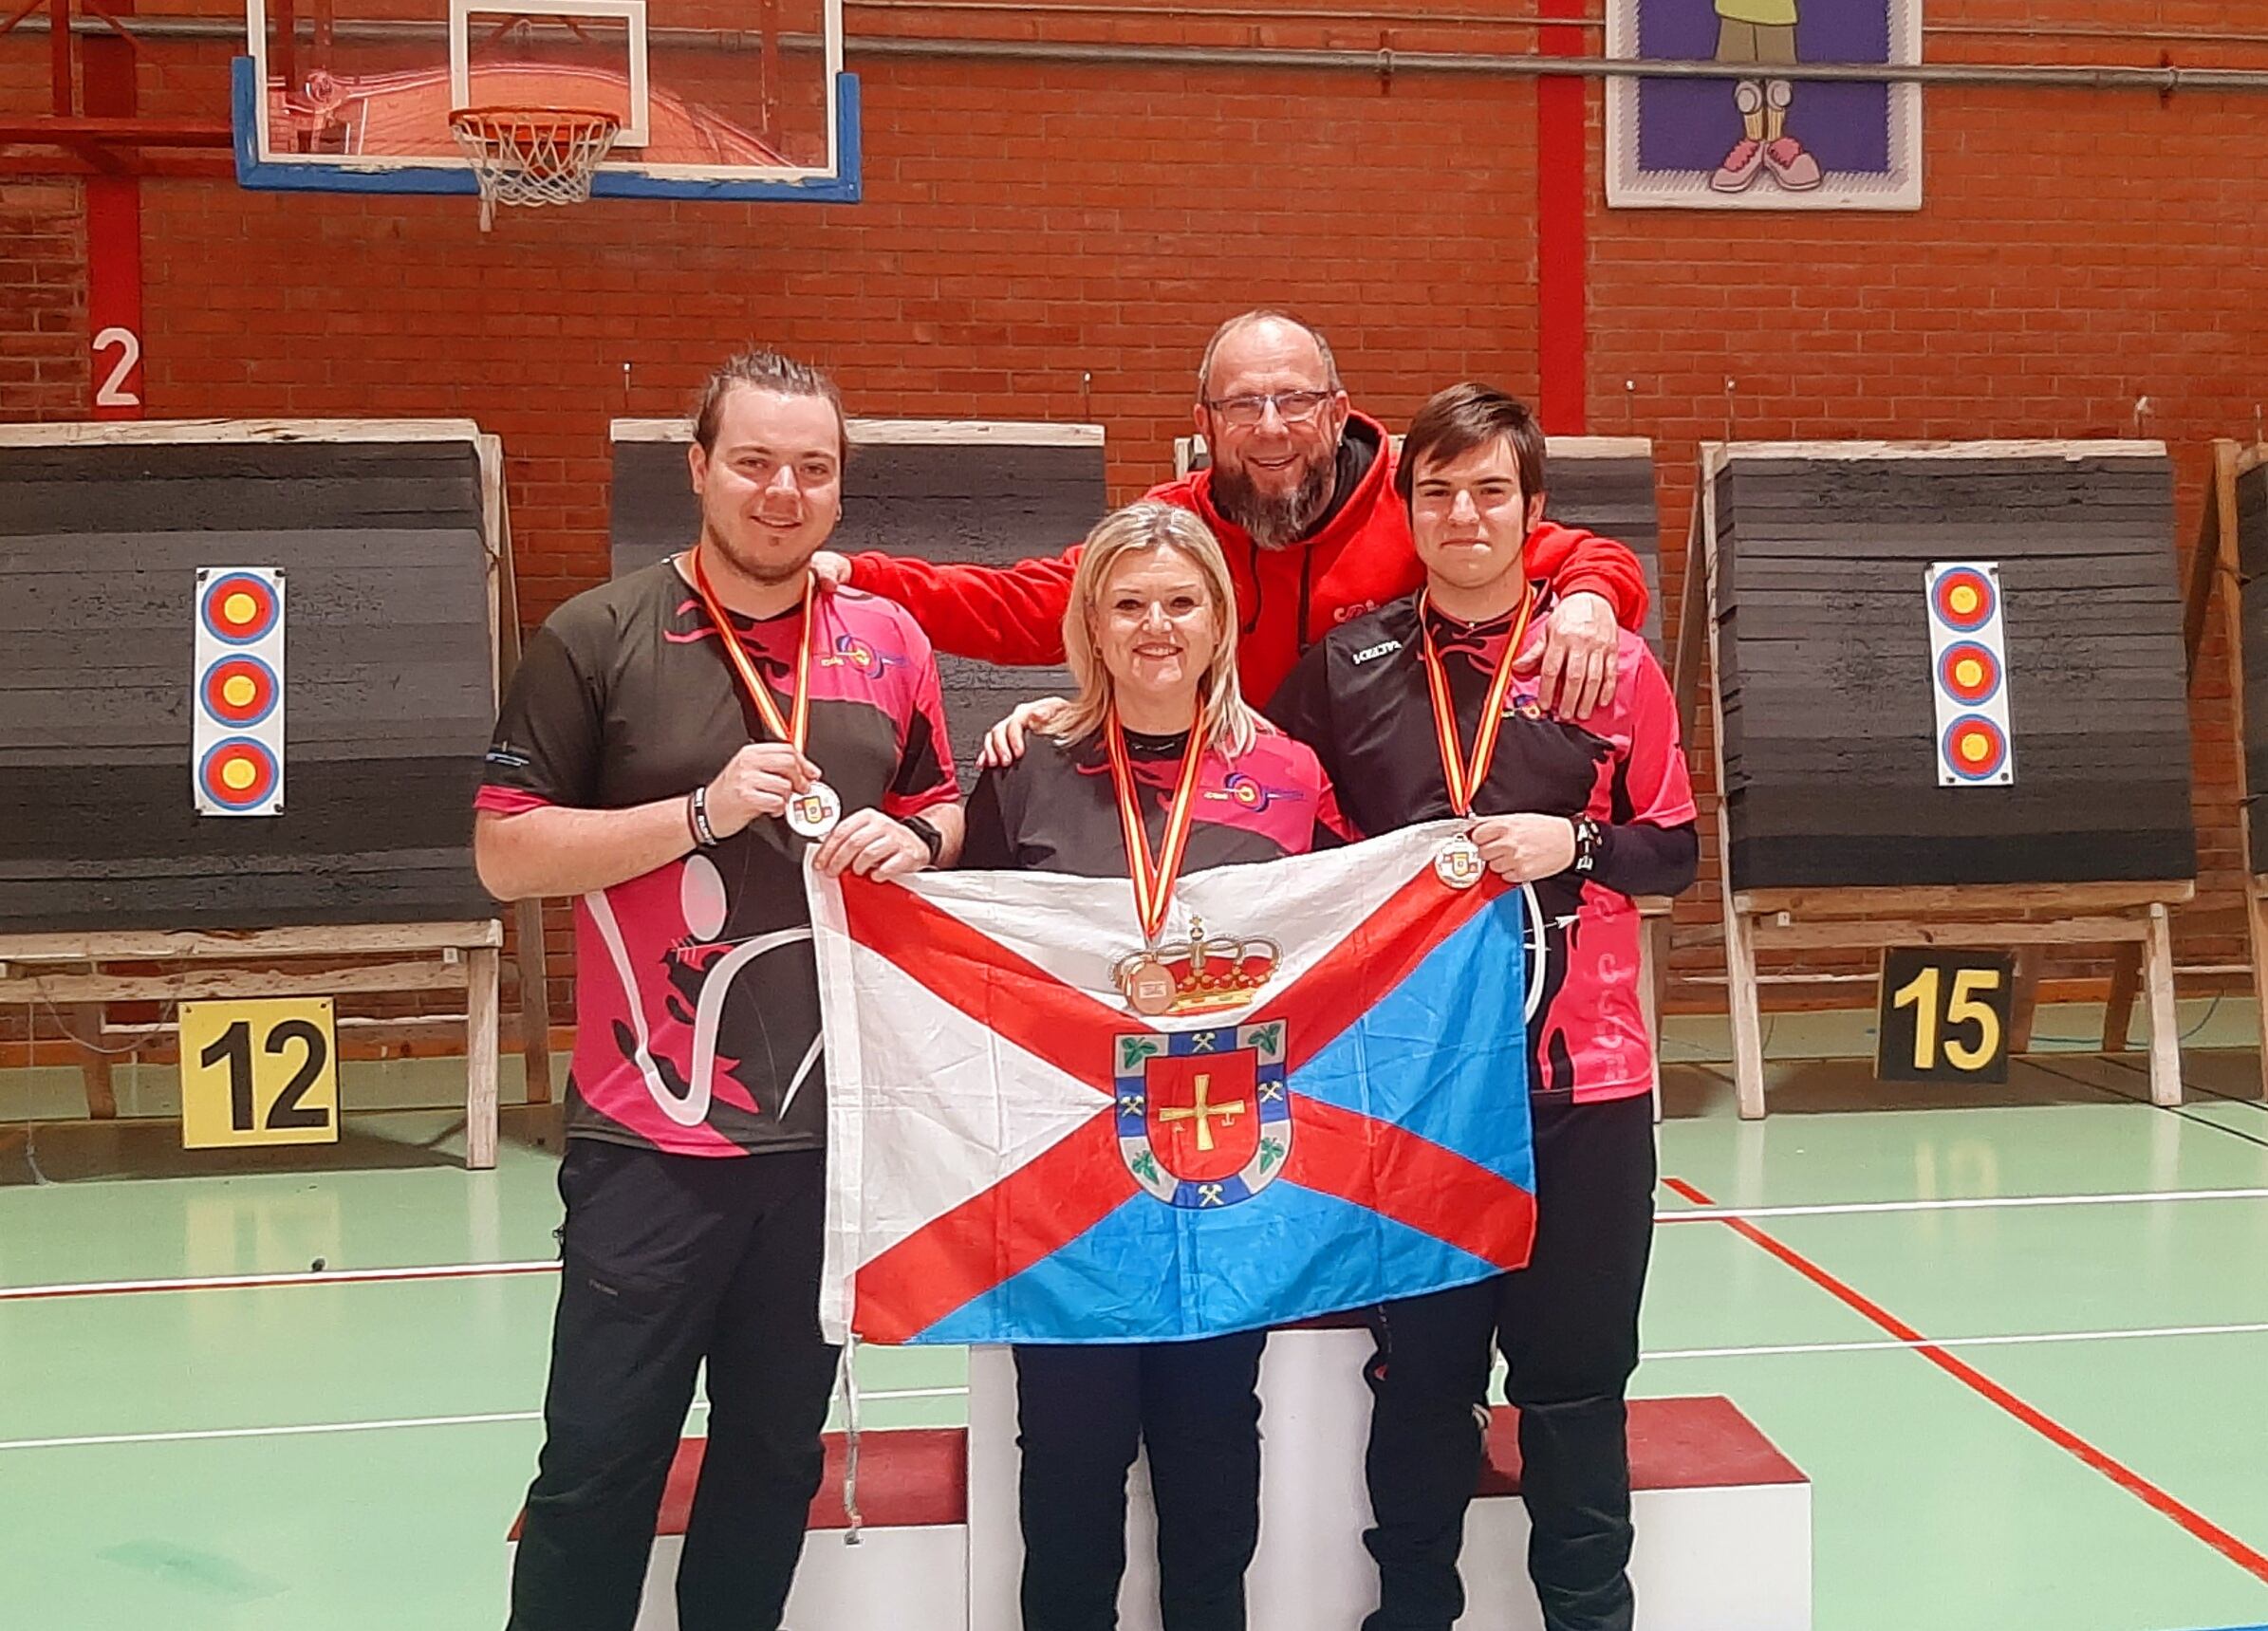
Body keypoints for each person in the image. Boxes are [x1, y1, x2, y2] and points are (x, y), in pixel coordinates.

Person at [474, 350, 965, 1631]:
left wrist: (923, 838)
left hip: (828, 1143)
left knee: (770, 1460)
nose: (781, 490)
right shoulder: (598, 635)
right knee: (597, 1466)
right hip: (651, 1139)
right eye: (753, 460)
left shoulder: (889, 640)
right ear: (697, 469)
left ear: (840, 489)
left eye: (812, 467)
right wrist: (694, 812)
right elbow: (504, 849)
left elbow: (936, 805)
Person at [1266, 382, 1699, 1631]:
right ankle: (1412, 1612)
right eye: (1437, 489)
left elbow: (1669, 851)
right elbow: (1245, 794)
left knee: (1572, 1384)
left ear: (1533, 509)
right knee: (1419, 1384)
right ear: (1407, 509)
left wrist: (1570, 839)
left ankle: (1589, 1615)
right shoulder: (1343, 668)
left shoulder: (1604, 661)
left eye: (1489, 489)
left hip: (1584, 1094)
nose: (1463, 512)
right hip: (1413, 1101)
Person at [960, 499, 1348, 1631]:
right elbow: (965, 952)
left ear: (1218, 622)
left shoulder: (1285, 771)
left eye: (1179, 602)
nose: (1155, 627)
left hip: (1225, 1182)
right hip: (1066, 1191)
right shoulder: (1027, 764)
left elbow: (1341, 950)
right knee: (1070, 1486)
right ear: (1090, 624)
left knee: (1211, 1476)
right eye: (1126, 604)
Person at [814, 309, 1649, 714]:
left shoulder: (1417, 498)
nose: (1271, 428)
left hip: (1388, 818)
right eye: (1243, 406)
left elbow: (1572, 551)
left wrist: (1589, 600)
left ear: (1336, 408)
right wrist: (858, 576)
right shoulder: (1172, 528)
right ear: (1205, 424)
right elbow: (1028, 607)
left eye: (1294, 400)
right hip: (1240, 808)